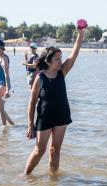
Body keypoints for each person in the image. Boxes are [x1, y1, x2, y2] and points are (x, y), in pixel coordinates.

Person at [24, 28, 85, 175]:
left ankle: (53, 180)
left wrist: (80, 35)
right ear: (48, 60)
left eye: (60, 58)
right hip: (44, 117)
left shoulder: (62, 72)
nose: (60, 61)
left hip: (61, 116)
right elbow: (32, 103)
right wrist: (30, 125)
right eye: (57, 59)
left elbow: (74, 54)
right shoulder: (40, 78)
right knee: (40, 150)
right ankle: (26, 174)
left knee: (55, 150)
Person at [0, 39, 14, 126]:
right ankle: (11, 123)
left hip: (3, 85)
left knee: (0, 107)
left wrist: (8, 89)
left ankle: (4, 127)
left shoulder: (4, 58)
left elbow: (6, 74)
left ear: (1, 48)